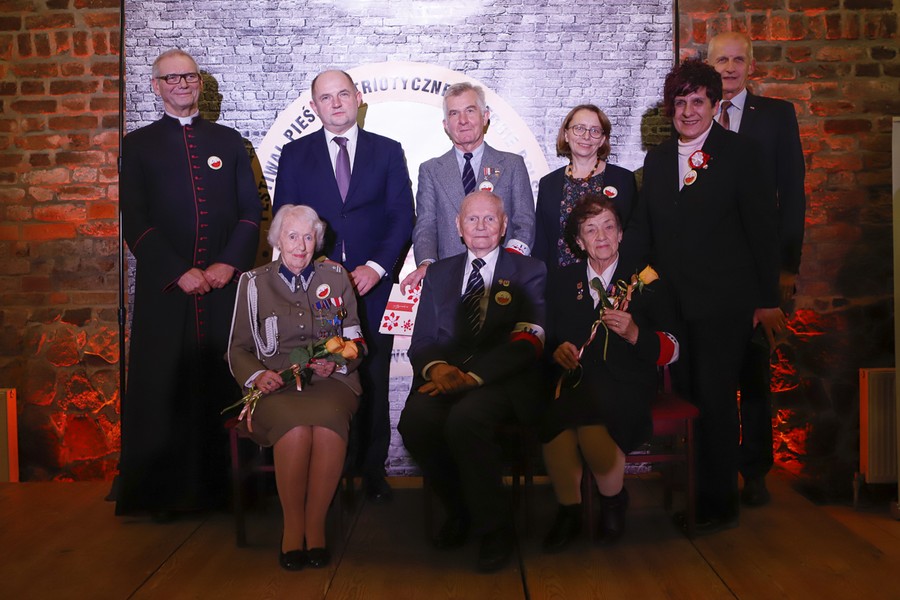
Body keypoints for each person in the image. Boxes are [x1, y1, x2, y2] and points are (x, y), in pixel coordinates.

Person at [625, 59, 783, 534]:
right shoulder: (655, 160)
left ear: (715, 105)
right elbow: (642, 233)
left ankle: (718, 504)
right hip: (670, 306)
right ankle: (693, 498)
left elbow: (763, 230)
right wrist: (610, 271)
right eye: (680, 102)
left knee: (714, 403)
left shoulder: (741, 153)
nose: (689, 111)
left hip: (724, 305)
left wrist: (766, 298)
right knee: (688, 400)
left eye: (698, 101)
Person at [116, 49, 261, 518]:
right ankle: (164, 495)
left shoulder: (229, 140)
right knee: (165, 388)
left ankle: (229, 493)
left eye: (190, 76)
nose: (182, 83)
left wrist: (226, 265)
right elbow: (134, 220)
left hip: (223, 291)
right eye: (171, 77)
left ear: (200, 84)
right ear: (155, 86)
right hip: (168, 291)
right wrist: (178, 271)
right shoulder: (137, 146)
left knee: (227, 383)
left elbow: (250, 213)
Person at [273, 70, 414, 504]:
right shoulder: (295, 154)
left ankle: (371, 470)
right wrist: (315, 268)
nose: (335, 104)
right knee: (322, 375)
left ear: (358, 98)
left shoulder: (388, 151)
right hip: (315, 288)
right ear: (314, 106)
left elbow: (402, 217)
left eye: (342, 95)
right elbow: (284, 218)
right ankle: (329, 475)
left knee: (370, 374)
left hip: (372, 287)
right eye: (325, 98)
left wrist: (376, 267)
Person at [398, 191, 546, 573]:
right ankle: (462, 510)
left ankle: (496, 529)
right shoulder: (440, 273)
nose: (481, 227)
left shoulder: (530, 271)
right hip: (446, 375)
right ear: (458, 227)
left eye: (489, 219)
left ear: (504, 226)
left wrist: (472, 377)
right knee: (415, 421)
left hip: (501, 381)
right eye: (472, 220)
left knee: (466, 420)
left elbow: (530, 338)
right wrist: (437, 370)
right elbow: (424, 339)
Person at [541, 194, 681, 553]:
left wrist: (636, 334)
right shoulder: (561, 281)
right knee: (556, 414)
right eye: (590, 229)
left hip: (629, 383)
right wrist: (557, 351)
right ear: (578, 242)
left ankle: (611, 500)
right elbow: (550, 336)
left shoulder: (646, 281)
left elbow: (674, 347)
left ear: (621, 234)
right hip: (577, 382)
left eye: (608, 227)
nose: (600, 236)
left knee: (594, 405)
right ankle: (569, 510)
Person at [228, 205, 363, 571]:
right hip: (276, 387)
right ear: (277, 241)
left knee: (329, 424)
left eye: (308, 237)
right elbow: (238, 348)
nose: (301, 246)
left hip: (331, 382)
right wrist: (257, 376)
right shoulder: (254, 284)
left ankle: (315, 528)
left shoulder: (336, 277)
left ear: (316, 240)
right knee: (297, 431)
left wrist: (337, 360)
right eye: (292, 237)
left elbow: (355, 340)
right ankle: (293, 530)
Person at [707, 31, 807, 507]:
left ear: (752, 65)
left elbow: (793, 195)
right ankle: (718, 470)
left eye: (738, 59)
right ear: (708, 64)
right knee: (715, 378)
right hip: (711, 274)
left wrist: (786, 270)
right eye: (721, 59)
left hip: (760, 271)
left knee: (755, 377)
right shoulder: (694, 115)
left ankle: (758, 472)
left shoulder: (777, 117)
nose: (730, 67)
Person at [400, 82, 535, 291]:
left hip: (504, 281)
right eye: (454, 114)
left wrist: (508, 263)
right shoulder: (430, 170)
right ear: (445, 124)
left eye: (470, 111)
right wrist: (427, 263)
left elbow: (524, 222)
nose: (463, 121)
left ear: (485, 116)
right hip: (449, 280)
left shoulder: (512, 165)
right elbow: (426, 225)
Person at [533, 104, 637, 276]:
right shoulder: (548, 184)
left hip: (610, 284)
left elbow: (632, 238)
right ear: (566, 134)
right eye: (579, 129)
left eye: (595, 131)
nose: (586, 136)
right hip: (558, 283)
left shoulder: (623, 180)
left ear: (603, 139)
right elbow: (541, 245)